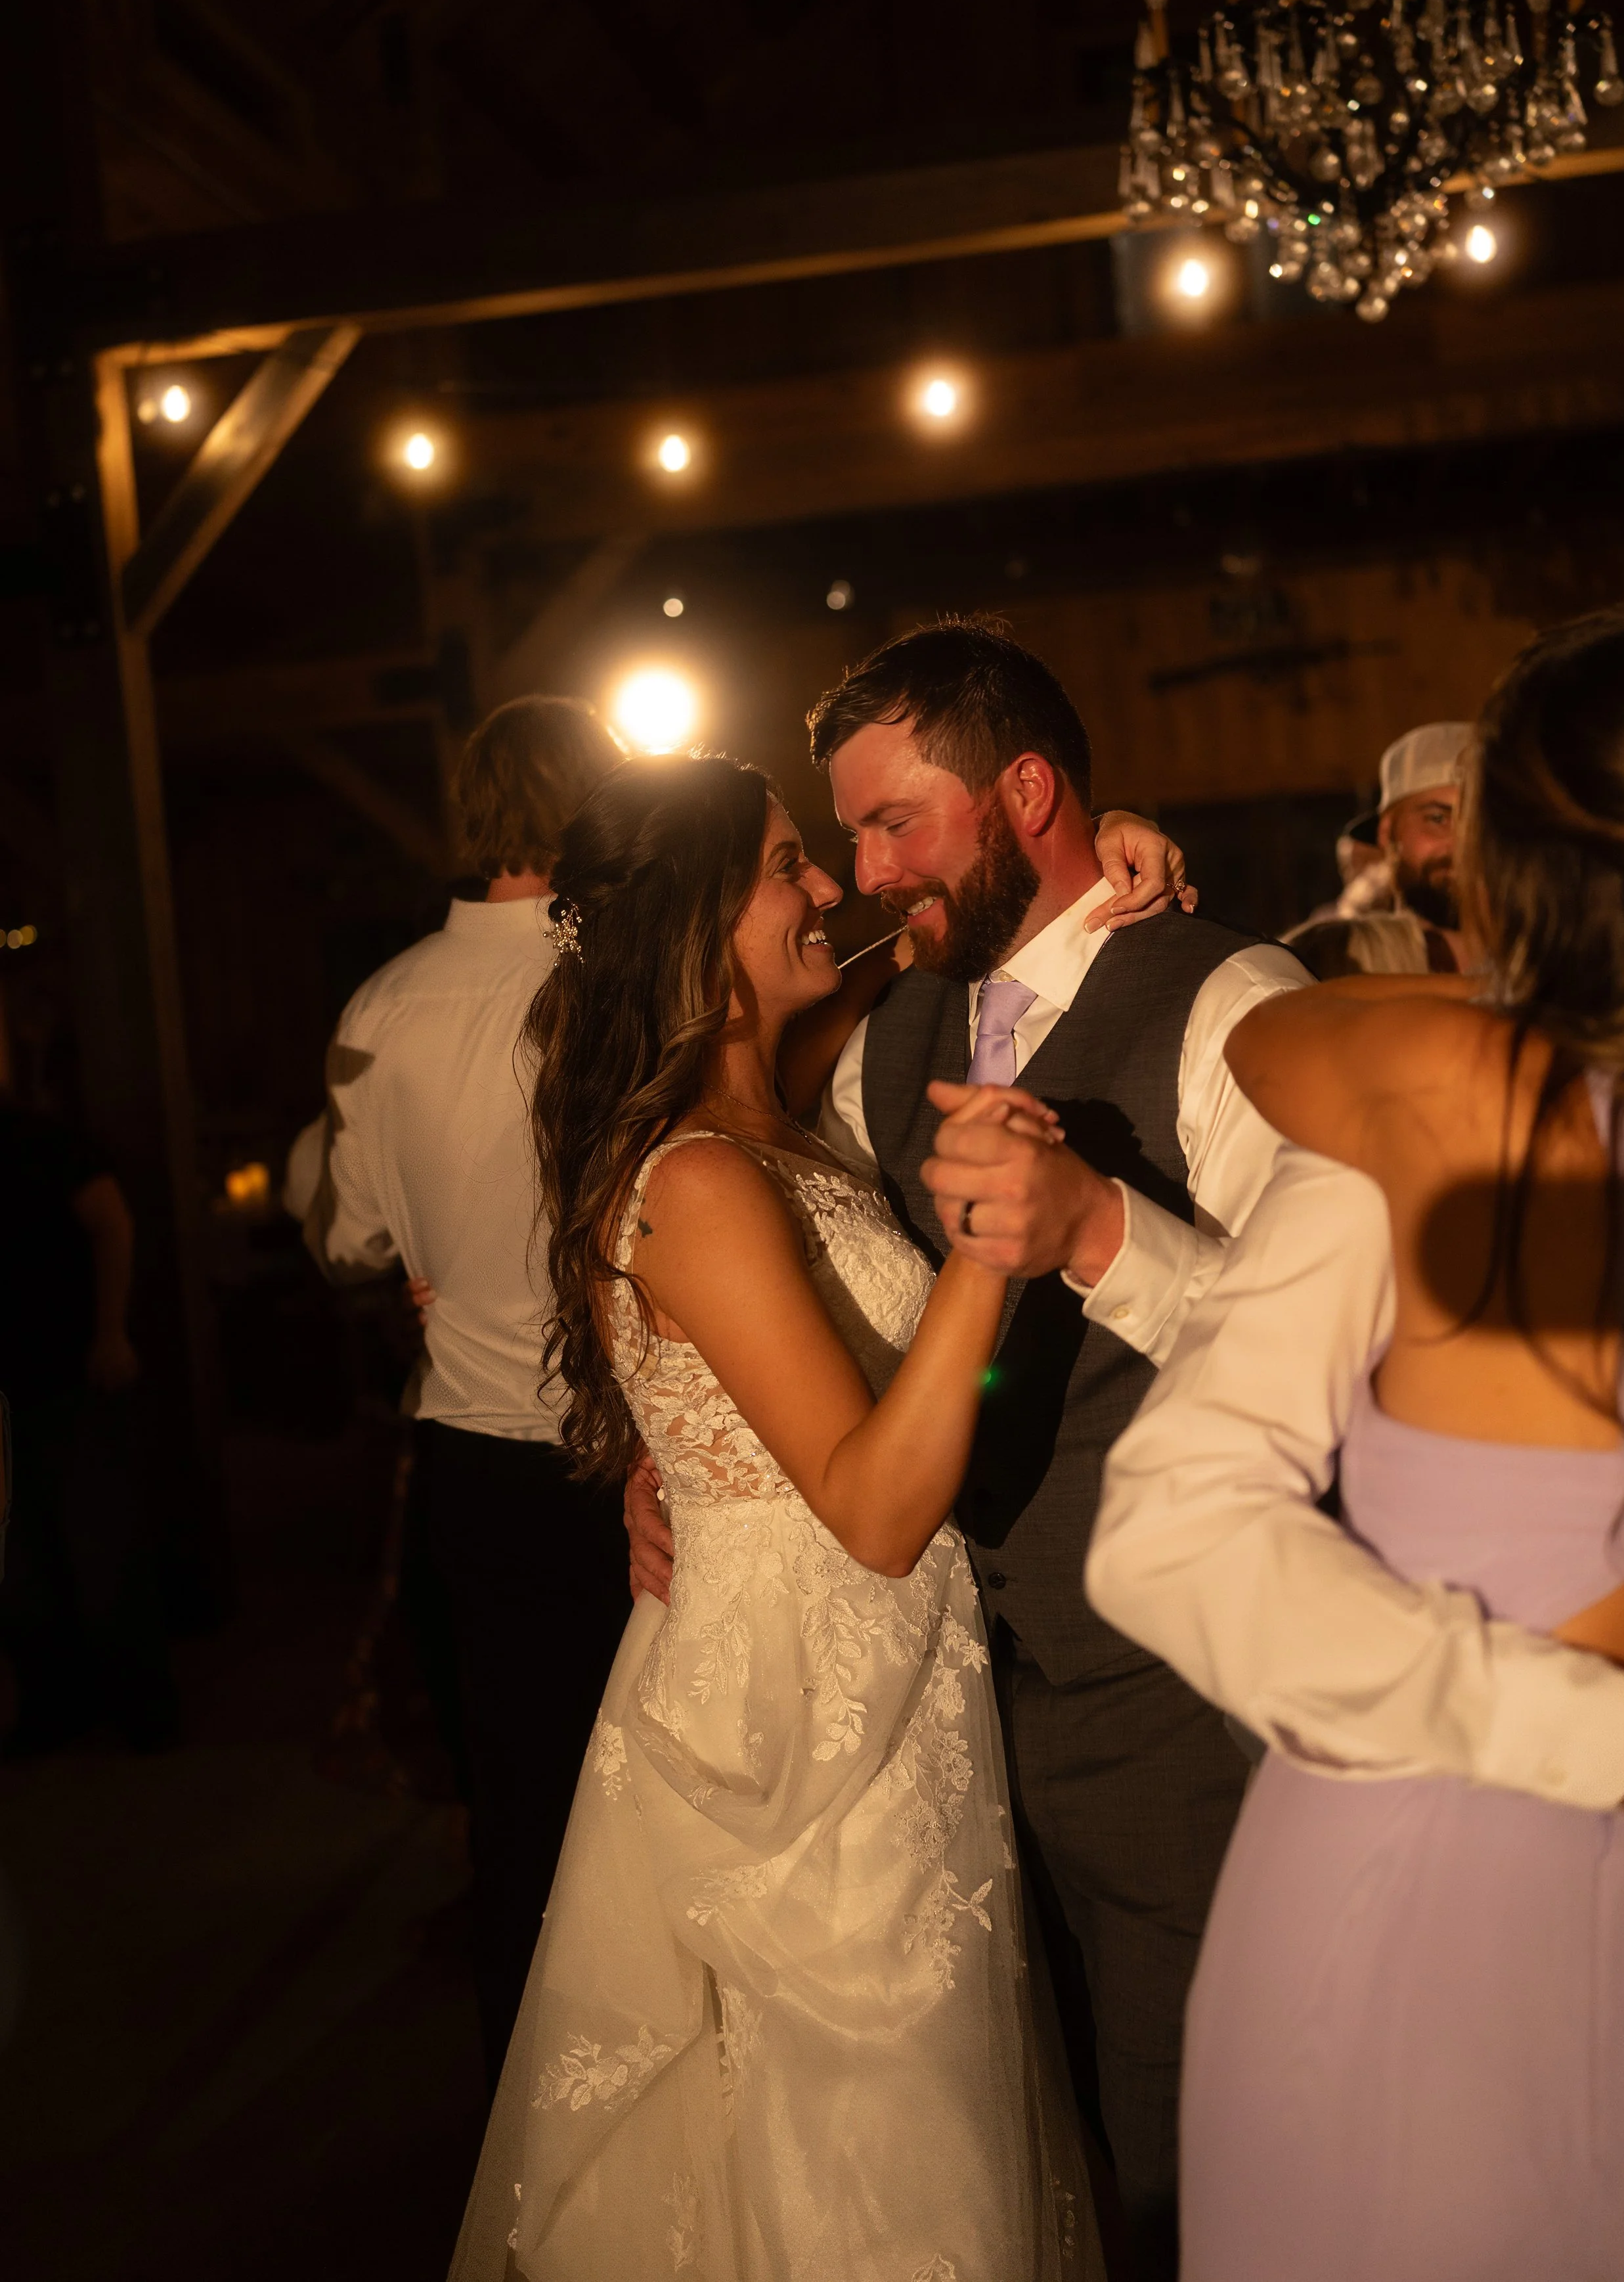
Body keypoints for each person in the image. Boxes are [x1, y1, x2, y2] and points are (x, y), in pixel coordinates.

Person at [617, 615, 1301, 2279]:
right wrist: (674, 1446)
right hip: (942, 1731)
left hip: (1169, 1706)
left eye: (892, 823)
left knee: (1193, 2161)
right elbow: (805, 1298)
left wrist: (1098, 1232)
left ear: (1030, 793)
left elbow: (1322, 1366)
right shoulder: (889, 1041)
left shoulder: (1227, 1001)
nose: (859, 875)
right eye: (840, 839)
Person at [449, 751, 1101, 2282]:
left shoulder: (772, 1105)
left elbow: (926, 927)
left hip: (873, 1689)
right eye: (787, 863)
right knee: (865, 2163)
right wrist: (993, 1243)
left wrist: (1107, 837)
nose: (829, 889)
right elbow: (873, 1507)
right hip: (805, 1737)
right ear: (692, 911)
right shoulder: (702, 1173)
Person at [1093, 613, 1624, 2281]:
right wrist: (1592, 1724)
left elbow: (1274, 1037)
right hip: (1459, 1880)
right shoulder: (1401, 1137)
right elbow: (1175, 1528)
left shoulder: (1389, 1090)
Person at [307, 693, 633, 2087]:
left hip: (475, 1467)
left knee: (520, 1816)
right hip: (632, 1453)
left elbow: (345, 1239)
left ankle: (534, 2126)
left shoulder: (380, 1008)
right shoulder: (617, 978)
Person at [0, 1085, 175, 1754]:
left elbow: (111, 1220)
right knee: (18, 1563)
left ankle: (140, 1709)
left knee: (99, 1544)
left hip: (66, 1371)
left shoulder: (37, 1141)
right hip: (16, 1380)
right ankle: (55, 1707)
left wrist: (110, 1332)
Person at [1286, 718, 1480, 977]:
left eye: (1482, 824)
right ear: (1387, 832)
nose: (1463, 844)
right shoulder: (1347, 959)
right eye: (1438, 819)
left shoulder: (1539, 962)